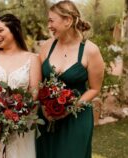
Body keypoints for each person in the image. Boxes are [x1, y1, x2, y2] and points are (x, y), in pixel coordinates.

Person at [36, 1, 105, 158]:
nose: (49, 26)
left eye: (52, 20)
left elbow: (95, 88)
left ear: (67, 21)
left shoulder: (90, 50)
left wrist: (69, 109)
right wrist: (44, 107)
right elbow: (39, 82)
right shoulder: (47, 46)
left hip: (76, 118)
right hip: (46, 117)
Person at [0, 13, 42, 158]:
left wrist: (16, 116)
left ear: (14, 30)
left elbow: (34, 93)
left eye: (0, 30)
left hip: (20, 127)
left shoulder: (32, 59)